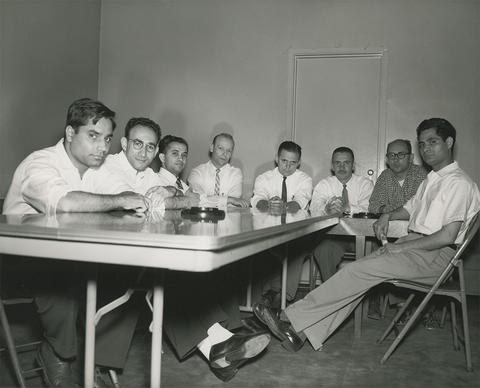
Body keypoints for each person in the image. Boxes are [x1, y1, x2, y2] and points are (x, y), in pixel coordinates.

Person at [253, 118, 480, 354]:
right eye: (422, 144)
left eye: (433, 142)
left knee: (354, 271)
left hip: (436, 257)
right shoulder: (432, 179)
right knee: (358, 274)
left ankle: (287, 317)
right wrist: (388, 216)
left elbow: (447, 236)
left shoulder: (458, 183)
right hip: (416, 247)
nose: (426, 149)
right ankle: (301, 333)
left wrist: (400, 248)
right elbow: (410, 208)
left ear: (450, 142)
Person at [2, 98, 149, 387]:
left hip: (70, 259)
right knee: (63, 274)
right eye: (93, 136)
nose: (102, 147)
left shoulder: (97, 168)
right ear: (70, 133)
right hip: (18, 266)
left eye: (107, 138)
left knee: (135, 274)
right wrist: (120, 201)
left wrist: (129, 199)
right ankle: (62, 353)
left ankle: (98, 360)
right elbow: (66, 204)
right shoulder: (41, 162)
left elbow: (129, 195)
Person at [250, 141, 313, 312]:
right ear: (276, 158)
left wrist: (284, 206)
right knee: (259, 251)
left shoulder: (305, 179)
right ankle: (260, 300)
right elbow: (257, 198)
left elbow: (301, 200)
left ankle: (283, 298)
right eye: (284, 160)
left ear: (299, 162)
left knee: (295, 251)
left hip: (296, 233)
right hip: (268, 232)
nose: (287, 166)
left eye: (293, 162)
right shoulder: (263, 177)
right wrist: (267, 203)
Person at [310, 147, 374, 281]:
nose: (342, 166)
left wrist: (348, 208)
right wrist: (326, 210)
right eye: (337, 163)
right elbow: (314, 208)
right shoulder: (324, 184)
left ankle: (362, 296)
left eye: (346, 162)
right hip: (334, 237)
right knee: (323, 250)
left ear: (353, 165)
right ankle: (331, 294)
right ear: (332, 166)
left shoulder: (365, 184)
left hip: (362, 236)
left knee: (378, 253)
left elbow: (370, 208)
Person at [188, 133, 249, 208]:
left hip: (228, 219)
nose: (224, 154)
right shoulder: (197, 172)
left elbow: (232, 206)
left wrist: (209, 200)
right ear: (211, 148)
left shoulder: (235, 173)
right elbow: (197, 200)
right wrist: (228, 200)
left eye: (229, 150)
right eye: (220, 148)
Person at [369, 139, 427, 214]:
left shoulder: (421, 175)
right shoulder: (385, 176)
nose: (395, 159)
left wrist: (387, 209)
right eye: (391, 155)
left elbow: (418, 207)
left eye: (401, 155)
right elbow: (373, 206)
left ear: (411, 157)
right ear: (387, 159)